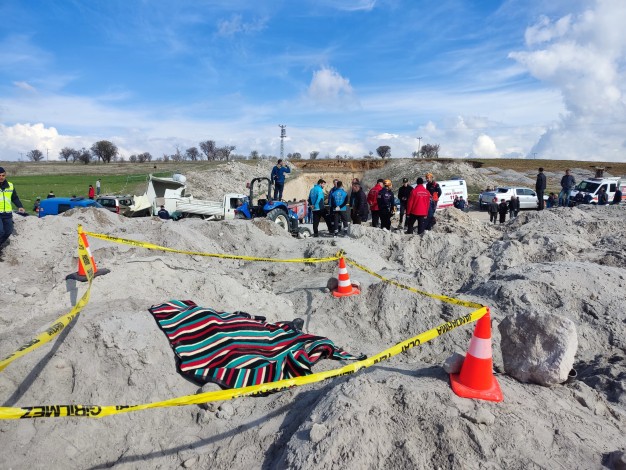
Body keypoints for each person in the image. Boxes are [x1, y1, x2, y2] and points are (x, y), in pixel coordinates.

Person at [0, 167, 26, 251]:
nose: (1, 177)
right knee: (1, 231)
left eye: (3, 175)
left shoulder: (10, 186)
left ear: (5, 175)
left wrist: (20, 206)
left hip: (7, 213)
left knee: (8, 231)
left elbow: (14, 198)